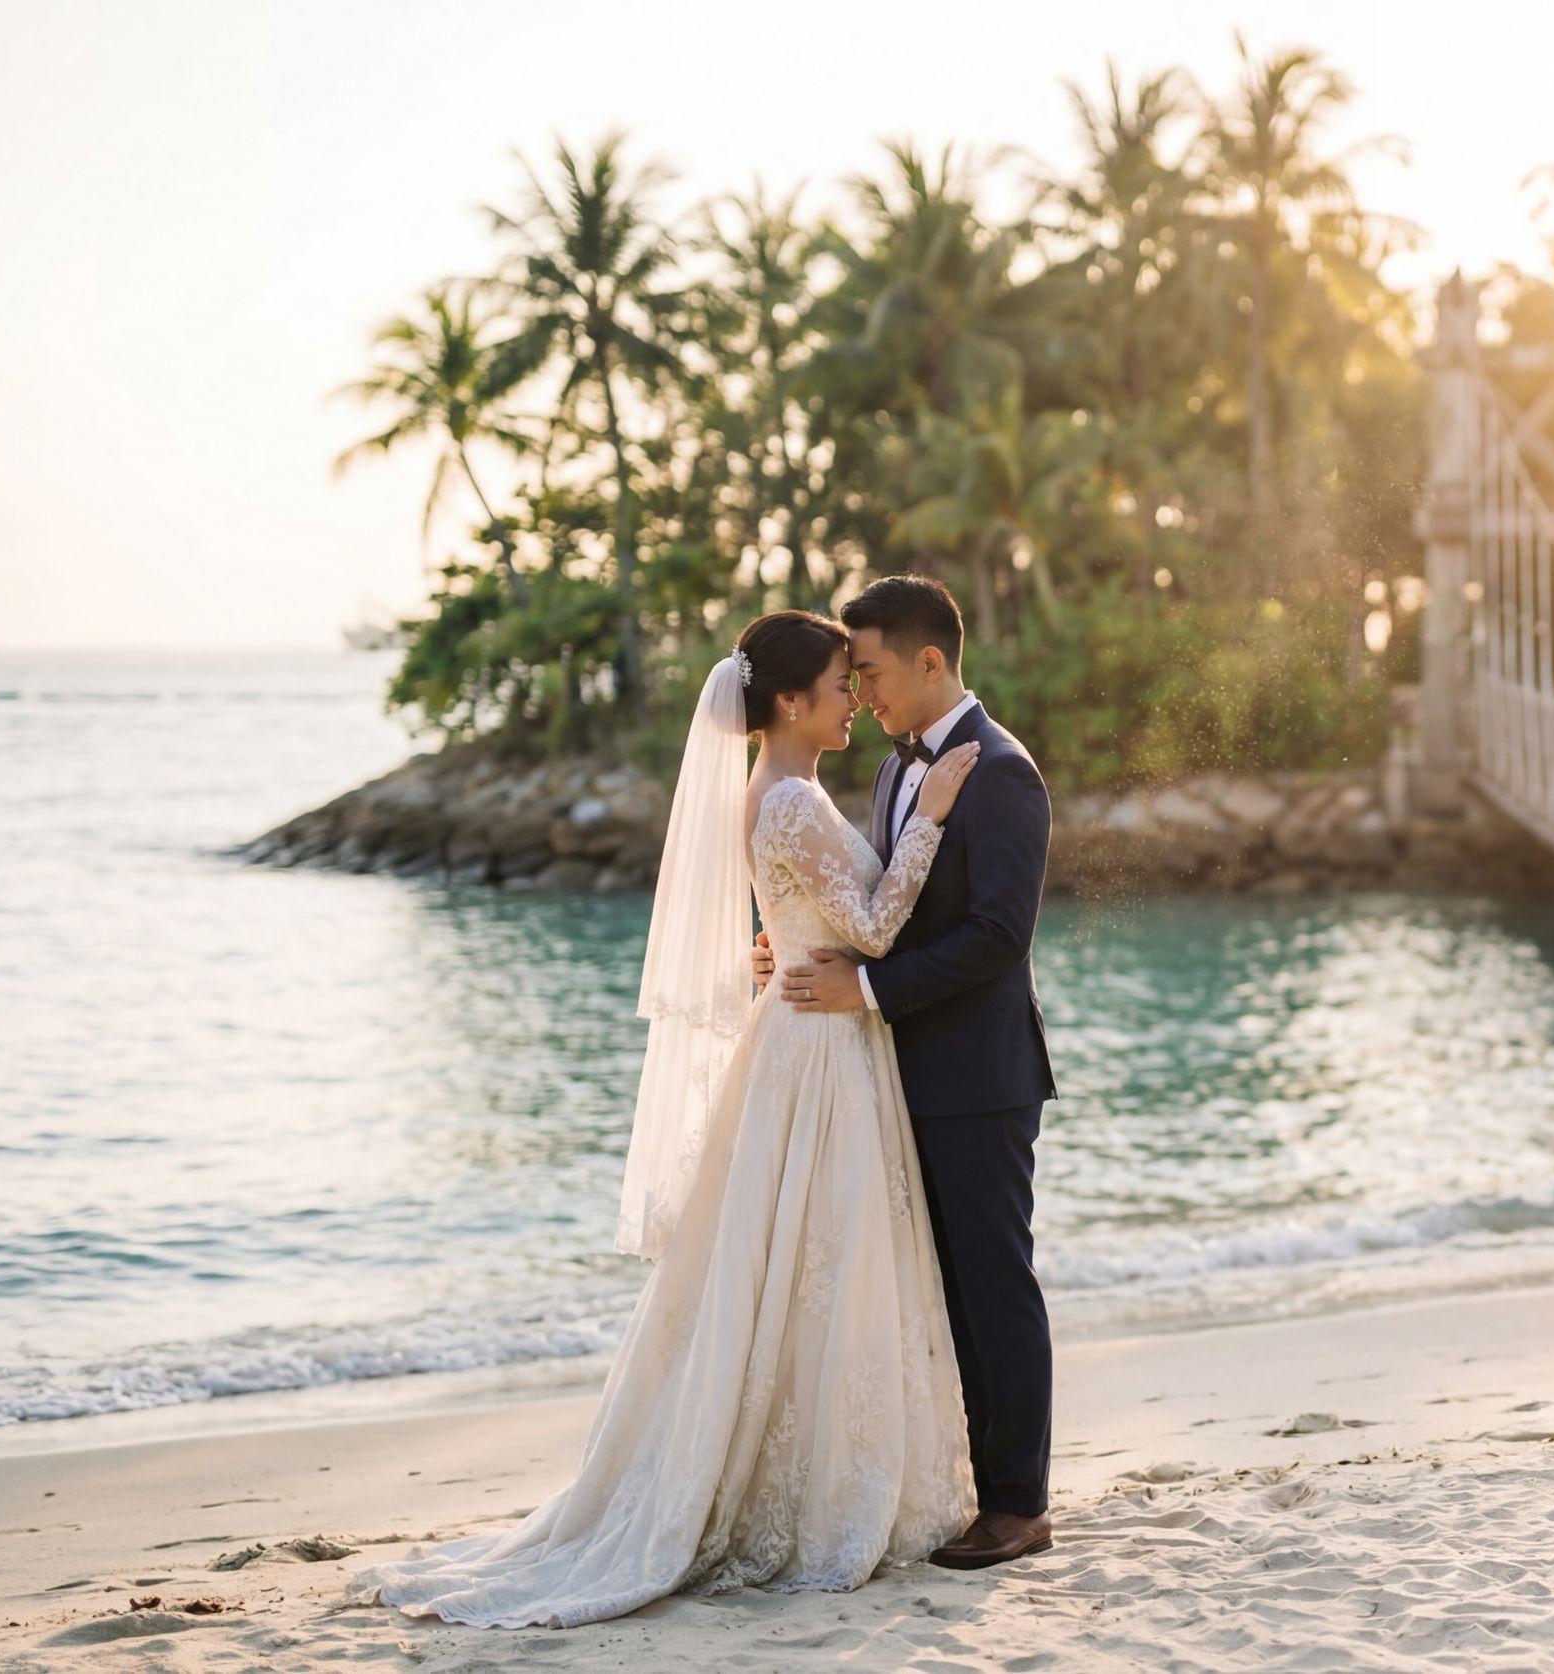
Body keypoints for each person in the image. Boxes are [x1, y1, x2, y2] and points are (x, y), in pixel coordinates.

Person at [350, 609, 984, 1627]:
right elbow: (871, 926)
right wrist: (931, 818)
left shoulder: (777, 792)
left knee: (802, 1268)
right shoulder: (790, 801)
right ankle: (814, 1496)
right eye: (839, 685)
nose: (853, 701)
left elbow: (808, 921)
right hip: (819, 1056)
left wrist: (782, 949)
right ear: (790, 701)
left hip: (808, 1038)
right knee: (820, 1260)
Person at [762, 574, 1061, 1570]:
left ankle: (1018, 1504)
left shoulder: (1004, 773)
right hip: (896, 1074)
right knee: (940, 1297)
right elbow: (884, 902)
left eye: (873, 671)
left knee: (994, 1286)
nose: (863, 691)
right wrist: (800, 951)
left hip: (978, 1078)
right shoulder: (898, 770)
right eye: (851, 677)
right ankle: (968, 1485)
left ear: (930, 662)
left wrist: (865, 991)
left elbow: (998, 936)